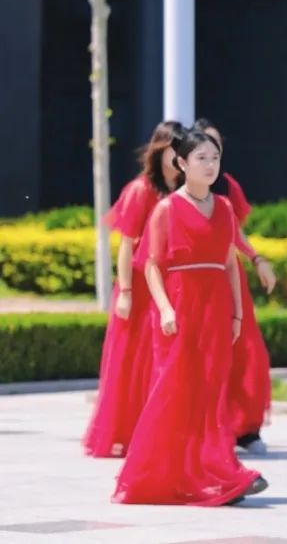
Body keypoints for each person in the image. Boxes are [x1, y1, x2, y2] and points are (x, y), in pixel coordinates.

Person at [113, 128, 267, 506]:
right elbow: (151, 265)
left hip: (216, 307)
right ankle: (156, 474)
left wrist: (236, 314)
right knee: (176, 392)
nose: (210, 165)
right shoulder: (167, 209)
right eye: (201, 158)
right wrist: (166, 308)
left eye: (215, 157)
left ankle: (217, 473)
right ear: (182, 163)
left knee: (211, 393)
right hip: (180, 308)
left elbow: (229, 264)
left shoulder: (224, 208)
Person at [83, 121, 182, 458]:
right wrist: (125, 291)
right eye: (173, 148)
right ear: (159, 151)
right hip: (139, 285)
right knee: (132, 359)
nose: (178, 155)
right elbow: (126, 244)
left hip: (169, 284)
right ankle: (127, 432)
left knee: (160, 359)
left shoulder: (185, 190)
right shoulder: (142, 190)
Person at [193, 118, 276, 455]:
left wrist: (257, 258)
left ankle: (245, 427)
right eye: (203, 150)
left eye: (216, 151)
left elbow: (233, 231)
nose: (210, 159)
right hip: (191, 281)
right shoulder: (178, 193)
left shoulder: (226, 189)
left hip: (227, 275)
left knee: (245, 351)